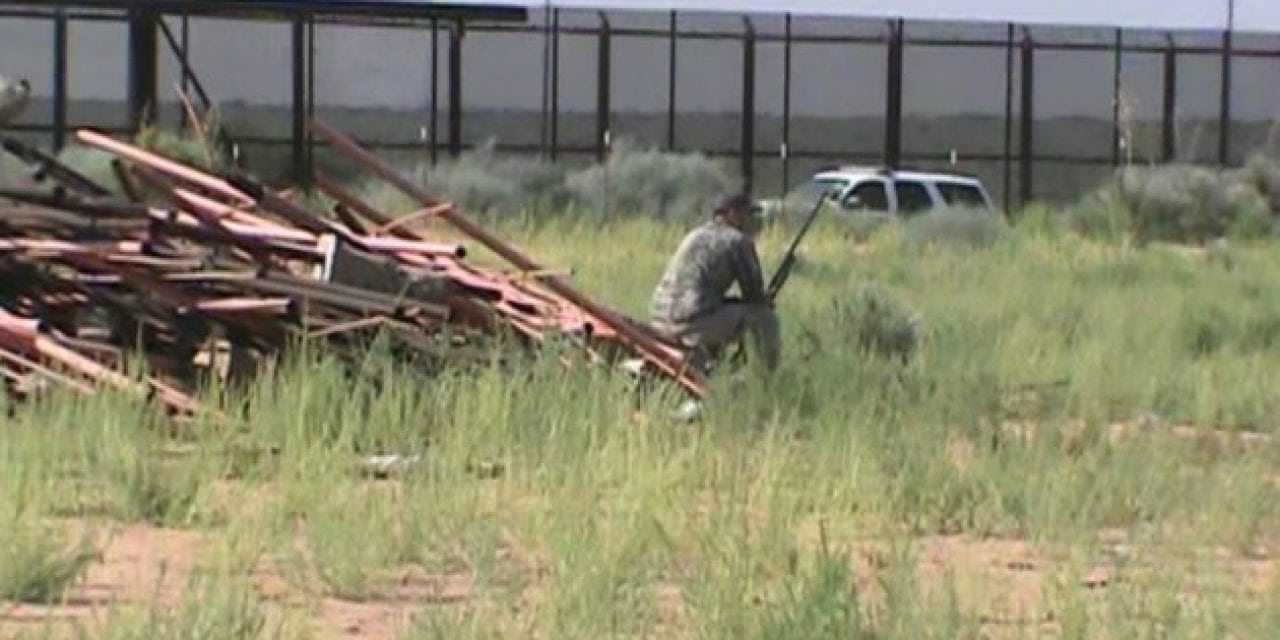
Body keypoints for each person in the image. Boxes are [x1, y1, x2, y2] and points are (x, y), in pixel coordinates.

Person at [650, 192, 780, 375]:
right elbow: (754, 295)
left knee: (731, 309)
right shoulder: (737, 240)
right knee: (764, 317)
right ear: (733, 214)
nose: (752, 221)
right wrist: (765, 300)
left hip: (660, 321)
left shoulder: (694, 235)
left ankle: (712, 365)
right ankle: (767, 379)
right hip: (693, 324)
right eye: (748, 214)